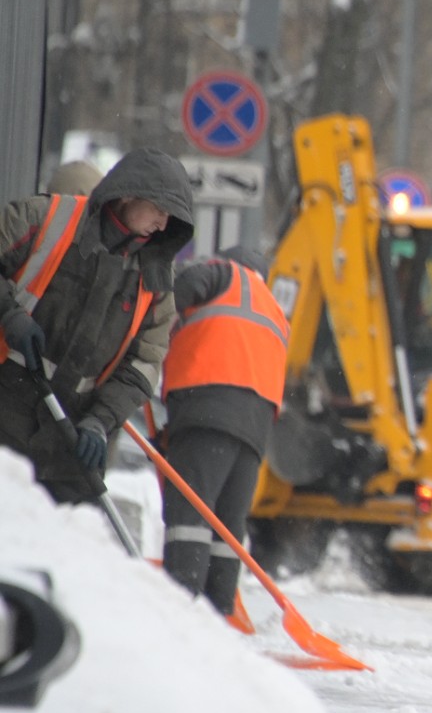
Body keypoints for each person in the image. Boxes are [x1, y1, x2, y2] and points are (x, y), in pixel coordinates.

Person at [0, 149, 195, 503]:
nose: (163, 225)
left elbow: (143, 364)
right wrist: (9, 314)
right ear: (128, 194)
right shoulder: (46, 219)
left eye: (171, 218)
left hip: (69, 438)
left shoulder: (155, 280)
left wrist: (99, 421)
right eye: (159, 211)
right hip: (6, 404)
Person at [159, 248, 290, 617]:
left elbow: (183, 287)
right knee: (227, 527)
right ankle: (220, 610)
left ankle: (181, 607)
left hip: (208, 407)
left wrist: (152, 323)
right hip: (254, 429)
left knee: (190, 514)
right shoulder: (276, 312)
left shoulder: (224, 274)